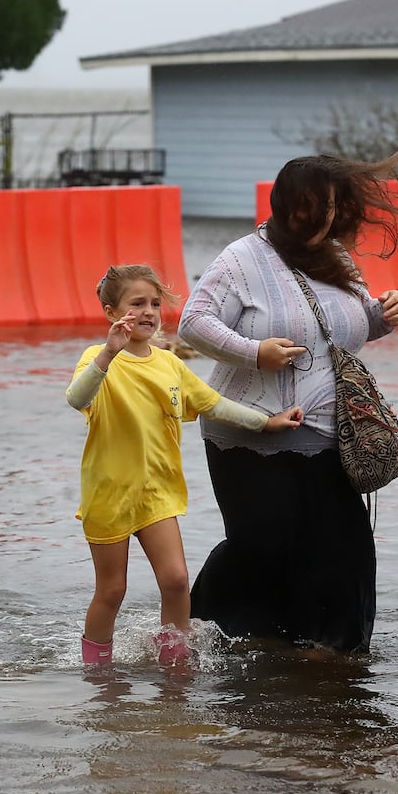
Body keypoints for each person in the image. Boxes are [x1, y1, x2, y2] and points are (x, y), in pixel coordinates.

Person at [176, 145, 398, 655]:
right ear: (288, 205)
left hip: (331, 433)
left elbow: (348, 330)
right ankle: (203, 633)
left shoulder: (336, 256)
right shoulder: (242, 257)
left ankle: (329, 656)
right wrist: (253, 352)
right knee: (263, 548)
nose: (328, 218)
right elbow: (192, 323)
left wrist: (384, 314)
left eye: (333, 208)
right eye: (318, 207)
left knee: (343, 551)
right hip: (249, 431)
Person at [66, 264, 304, 666]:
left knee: (176, 581)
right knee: (112, 591)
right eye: (136, 303)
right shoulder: (98, 359)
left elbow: (214, 403)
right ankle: (97, 671)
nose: (148, 312)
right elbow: (76, 397)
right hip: (109, 495)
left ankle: (174, 663)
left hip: (157, 494)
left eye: (154, 303)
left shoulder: (170, 364)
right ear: (111, 312)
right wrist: (108, 353)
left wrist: (266, 422)